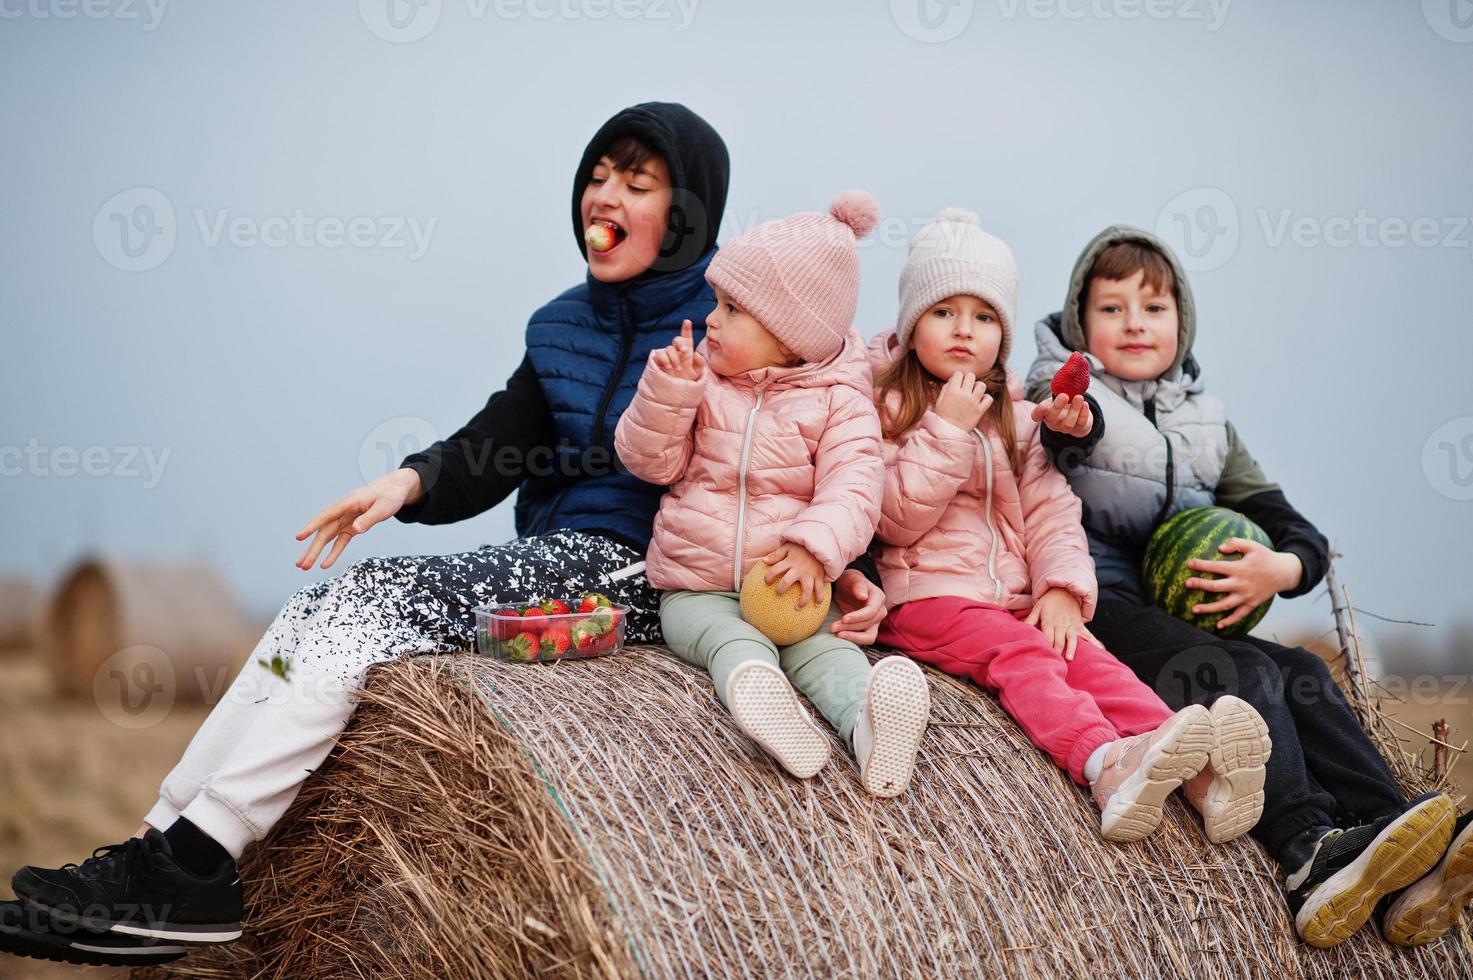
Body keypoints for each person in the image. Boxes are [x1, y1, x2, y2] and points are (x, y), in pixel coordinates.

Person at [2, 102, 889, 964]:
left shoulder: (738, 320)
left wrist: (849, 564)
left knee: (371, 613)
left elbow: (827, 435)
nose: (604, 195)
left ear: (688, 214)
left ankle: (197, 866)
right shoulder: (560, 326)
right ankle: (157, 845)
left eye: (639, 181)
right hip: (545, 558)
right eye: (599, 173)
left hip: (639, 578)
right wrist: (406, 481)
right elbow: (497, 439)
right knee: (317, 611)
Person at [1024, 224, 1464, 947]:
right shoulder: (1061, 391)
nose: (1134, 322)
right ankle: (1304, 848)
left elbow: (1295, 534)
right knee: (1243, 669)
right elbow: (1063, 433)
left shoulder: (1208, 426)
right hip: (1100, 613)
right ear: (1080, 323)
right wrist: (1067, 420)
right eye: (1111, 309)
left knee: (1296, 668)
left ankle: (1398, 837)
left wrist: (1280, 568)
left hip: (1181, 617)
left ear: (1181, 322)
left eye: (1153, 307)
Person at [869, 209, 1271, 843]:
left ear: (1001, 333)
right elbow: (892, 518)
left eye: (983, 317)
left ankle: (1194, 768)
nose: (963, 331)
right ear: (911, 321)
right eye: (943, 312)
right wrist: (945, 430)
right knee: (1027, 655)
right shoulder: (888, 407)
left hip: (1014, 598)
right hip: (927, 597)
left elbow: (1054, 510)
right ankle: (1104, 763)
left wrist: (1060, 588)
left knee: (1092, 658)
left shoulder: (1019, 418)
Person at [616, 191, 931, 798]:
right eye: (717, 302)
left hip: (790, 583)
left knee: (827, 652)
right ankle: (761, 694)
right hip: (696, 583)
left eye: (734, 309)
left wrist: (815, 548)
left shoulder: (841, 399)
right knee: (731, 639)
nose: (711, 319)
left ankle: (868, 722)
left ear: (792, 337)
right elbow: (647, 462)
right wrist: (667, 395)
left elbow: (857, 485)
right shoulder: (703, 382)